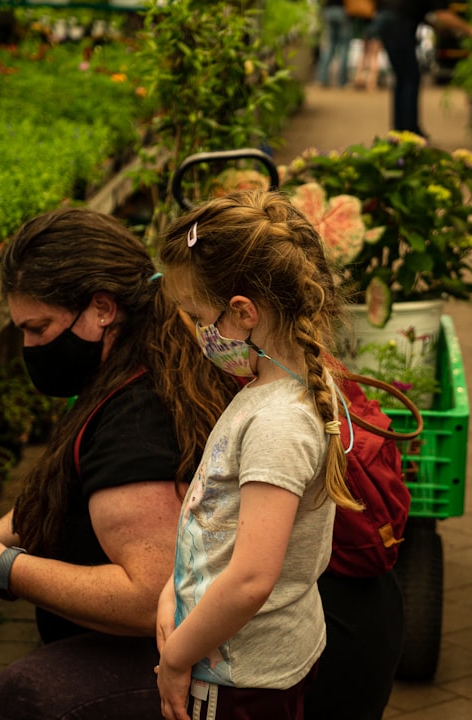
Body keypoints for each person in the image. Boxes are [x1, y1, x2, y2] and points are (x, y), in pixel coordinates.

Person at [0, 207, 240, 720]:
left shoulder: (139, 417)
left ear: (101, 308)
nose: (29, 347)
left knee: (26, 694)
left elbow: (149, 595)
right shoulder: (147, 353)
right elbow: (67, 491)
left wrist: (4, 571)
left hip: (202, 664)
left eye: (39, 327)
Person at [154, 190, 364, 720]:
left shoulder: (277, 422)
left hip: (239, 677)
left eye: (197, 315)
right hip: (240, 655)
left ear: (243, 312)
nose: (196, 331)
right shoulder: (276, 389)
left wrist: (176, 660)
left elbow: (250, 579)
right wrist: (172, 596)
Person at [376, 0, 472, 137]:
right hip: (398, 23)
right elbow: (443, 14)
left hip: (385, 18)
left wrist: (435, 26)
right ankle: (409, 130)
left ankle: (400, 129)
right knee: (410, 78)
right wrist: (470, 30)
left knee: (403, 78)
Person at [316, 0, 355, 87]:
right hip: (343, 11)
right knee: (344, 48)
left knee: (329, 47)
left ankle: (322, 78)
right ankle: (342, 81)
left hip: (329, 11)